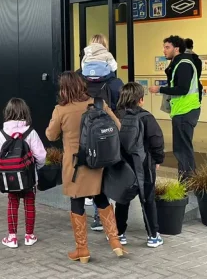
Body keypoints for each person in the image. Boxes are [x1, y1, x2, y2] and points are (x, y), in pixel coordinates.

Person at [46, 72, 126, 264]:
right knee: (101, 197)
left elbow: (51, 135)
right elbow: (117, 126)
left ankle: (82, 250)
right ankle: (115, 241)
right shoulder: (98, 103)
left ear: (63, 89)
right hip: (98, 162)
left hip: (76, 165)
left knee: (77, 202)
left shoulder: (61, 110)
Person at [79, 34, 124, 232]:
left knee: (87, 166)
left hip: (84, 129)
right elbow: (121, 105)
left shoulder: (79, 77)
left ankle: (86, 200)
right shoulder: (114, 80)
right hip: (107, 130)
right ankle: (101, 218)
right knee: (105, 170)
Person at [114, 82, 165, 248]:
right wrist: (158, 159)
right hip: (144, 165)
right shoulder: (146, 117)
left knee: (122, 199)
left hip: (122, 165)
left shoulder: (116, 116)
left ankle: (119, 234)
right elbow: (156, 140)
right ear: (140, 99)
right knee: (148, 199)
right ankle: (153, 236)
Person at [0, 98, 46, 249]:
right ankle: (29, 236)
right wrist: (36, 168)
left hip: (10, 178)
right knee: (29, 204)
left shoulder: (2, 133)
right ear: (25, 112)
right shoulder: (31, 132)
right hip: (28, 177)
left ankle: (12, 237)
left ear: (7, 112)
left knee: (12, 204)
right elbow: (41, 155)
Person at [149, 35, 201, 177]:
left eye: (167, 47)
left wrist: (160, 89)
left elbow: (183, 89)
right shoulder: (179, 63)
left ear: (176, 49)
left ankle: (187, 179)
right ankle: (186, 178)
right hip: (182, 110)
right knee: (182, 148)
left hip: (185, 111)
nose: (164, 50)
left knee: (182, 149)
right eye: (164, 47)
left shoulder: (183, 64)